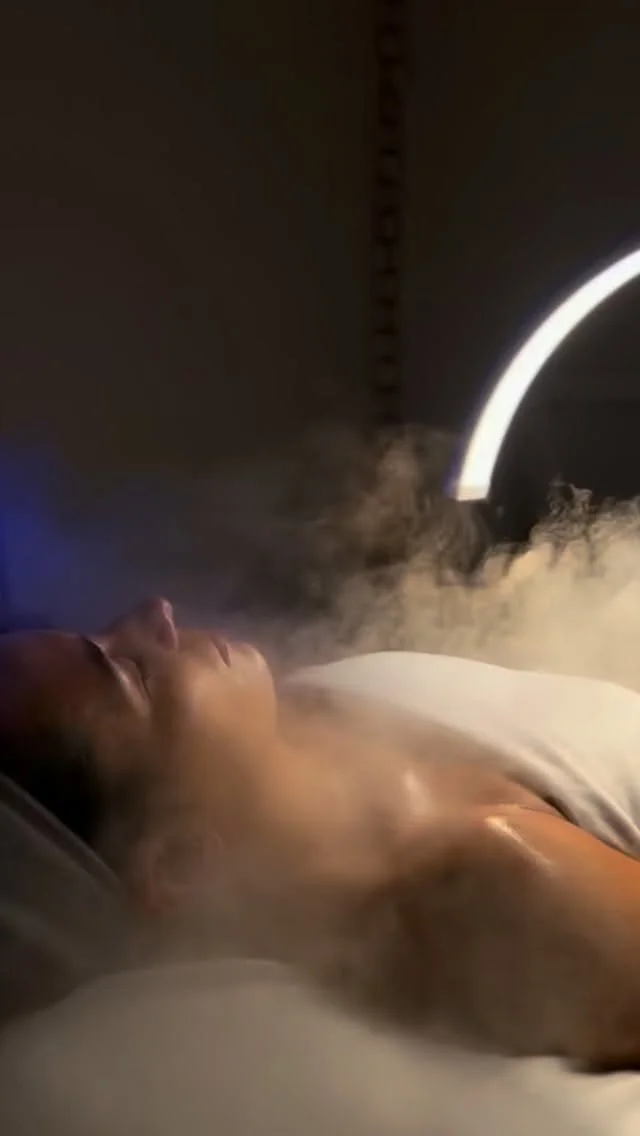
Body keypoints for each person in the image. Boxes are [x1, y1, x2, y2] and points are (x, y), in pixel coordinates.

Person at [2, 596, 640, 1070]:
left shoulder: (325, 703)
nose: (157, 613)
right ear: (180, 860)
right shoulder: (491, 887)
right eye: (132, 671)